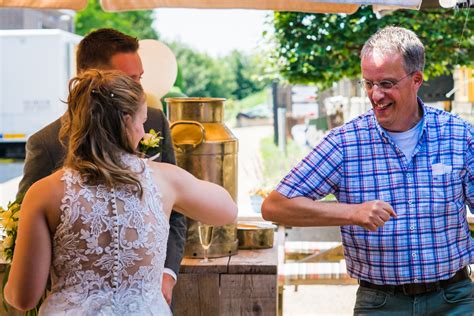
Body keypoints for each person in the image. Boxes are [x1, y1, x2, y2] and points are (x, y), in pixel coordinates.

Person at [262, 26, 473, 314]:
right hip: (380, 304)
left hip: (455, 299)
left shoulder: (459, 134)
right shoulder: (344, 143)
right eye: (368, 83)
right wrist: (352, 212)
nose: (375, 95)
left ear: (417, 80)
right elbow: (275, 206)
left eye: (386, 83)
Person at [5, 69, 238, 314]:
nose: (144, 131)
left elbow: (23, 298)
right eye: (142, 121)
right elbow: (227, 211)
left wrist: (9, 289)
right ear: (127, 120)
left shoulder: (44, 192)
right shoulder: (166, 181)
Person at [17, 28, 186, 305]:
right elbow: (26, 229)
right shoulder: (45, 144)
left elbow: (178, 212)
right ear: (89, 77)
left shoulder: (153, 121)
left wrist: (167, 272)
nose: (139, 89)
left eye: (139, 78)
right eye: (128, 79)